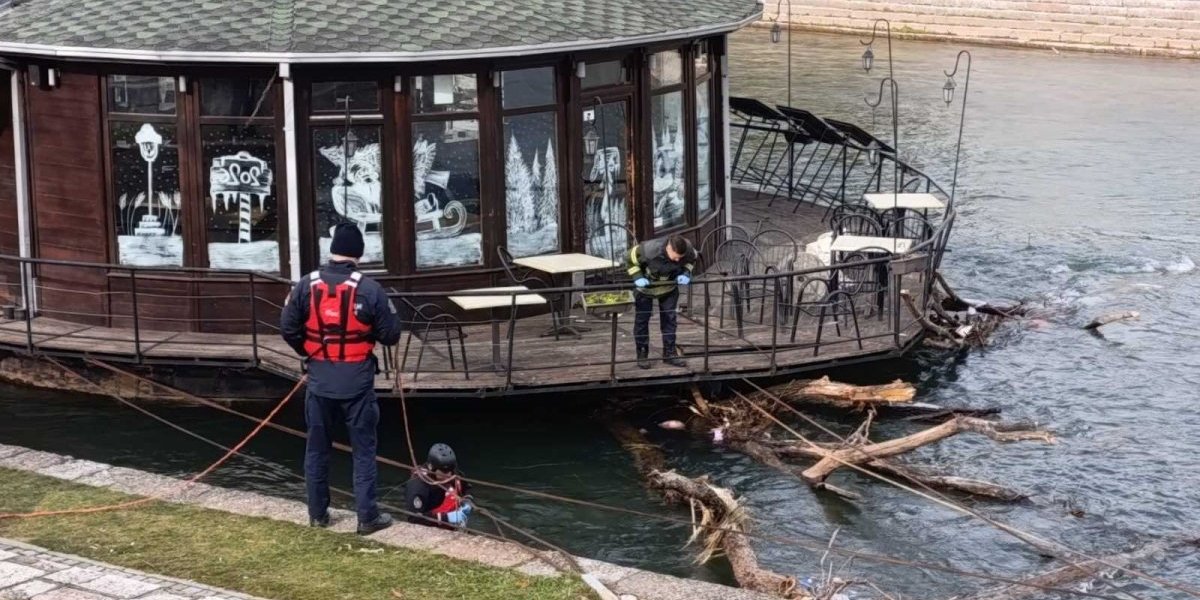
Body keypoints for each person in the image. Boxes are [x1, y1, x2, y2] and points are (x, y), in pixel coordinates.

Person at [280, 223, 403, 535]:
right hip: (358, 383)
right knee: (363, 451)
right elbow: (391, 335)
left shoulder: (305, 285)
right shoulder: (371, 289)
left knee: (317, 449)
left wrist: (309, 351)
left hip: (319, 380)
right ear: (358, 255)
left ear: (332, 250)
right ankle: (367, 517)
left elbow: (287, 327)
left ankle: (318, 514)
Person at [625, 234, 697, 369]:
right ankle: (642, 354)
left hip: (669, 286)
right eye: (675, 256)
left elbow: (691, 261)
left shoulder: (688, 249)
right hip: (646, 287)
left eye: (679, 258)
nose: (677, 260)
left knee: (670, 319)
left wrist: (686, 273)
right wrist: (637, 276)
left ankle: (669, 354)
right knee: (642, 320)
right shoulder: (648, 250)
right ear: (669, 247)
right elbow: (629, 259)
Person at [403, 443, 473, 528]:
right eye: (444, 472)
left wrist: (468, 501)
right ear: (431, 468)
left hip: (456, 524)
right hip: (432, 529)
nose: (449, 475)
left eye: (451, 470)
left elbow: (467, 488)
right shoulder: (418, 486)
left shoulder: (452, 473)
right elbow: (414, 519)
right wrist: (446, 518)